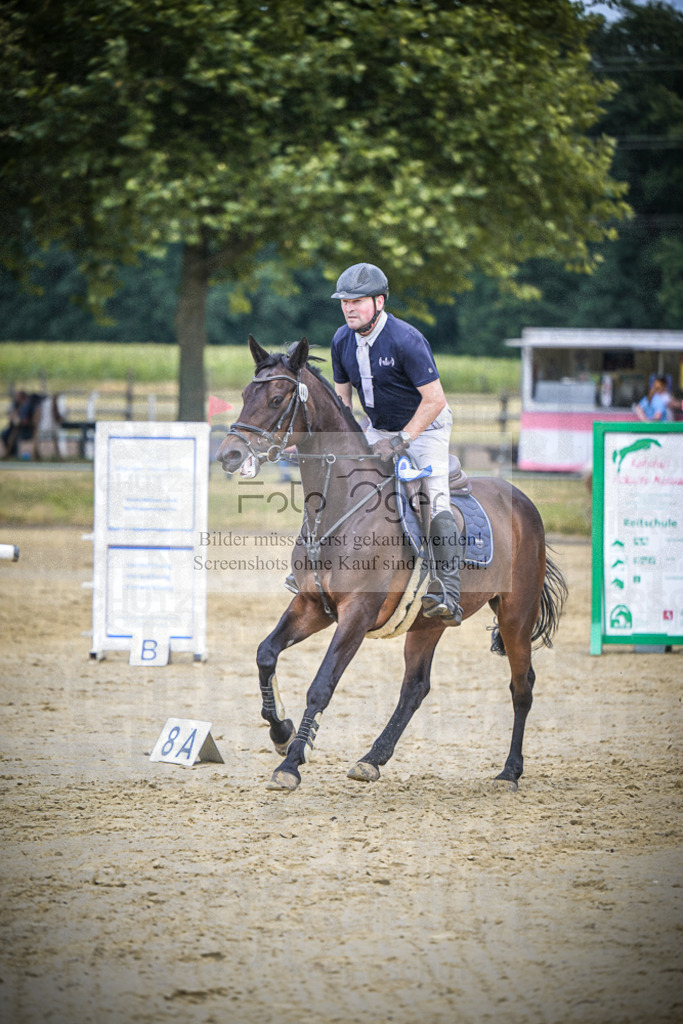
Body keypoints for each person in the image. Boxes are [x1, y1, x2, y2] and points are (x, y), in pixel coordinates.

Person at [330, 262, 462, 625]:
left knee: (434, 498)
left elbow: (434, 400)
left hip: (427, 428)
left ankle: (448, 592)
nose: (349, 308)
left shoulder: (406, 339)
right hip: (378, 429)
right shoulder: (341, 340)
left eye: (357, 301)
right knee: (340, 484)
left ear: (379, 301)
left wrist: (402, 439)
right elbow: (343, 403)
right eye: (344, 302)